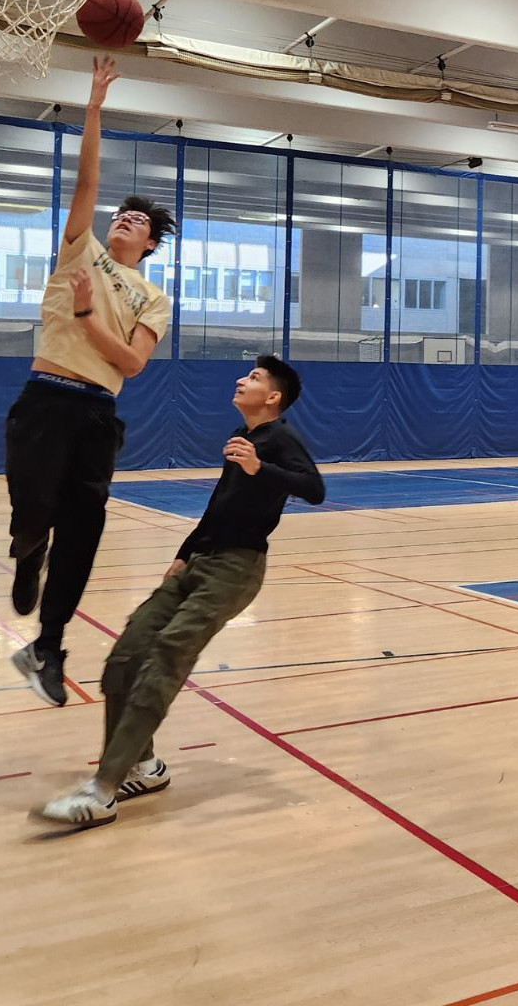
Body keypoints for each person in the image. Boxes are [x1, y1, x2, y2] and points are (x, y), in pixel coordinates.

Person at [30, 355, 325, 829]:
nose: (240, 379)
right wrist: (184, 552)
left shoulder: (278, 439)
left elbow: (314, 489)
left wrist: (259, 469)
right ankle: (144, 767)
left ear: (273, 397)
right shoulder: (242, 438)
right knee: (127, 653)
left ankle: (103, 789)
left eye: (253, 377)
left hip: (236, 569)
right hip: (199, 563)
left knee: (167, 655)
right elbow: (219, 504)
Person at [7, 56, 174, 708]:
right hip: (46, 400)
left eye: (140, 223)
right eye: (122, 215)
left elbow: (131, 365)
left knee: (84, 534)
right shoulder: (80, 251)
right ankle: (27, 549)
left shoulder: (151, 297)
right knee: (36, 511)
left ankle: (47, 647)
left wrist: (86, 318)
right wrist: (96, 105)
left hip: (98, 413)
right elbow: (86, 179)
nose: (125, 221)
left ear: (153, 245)